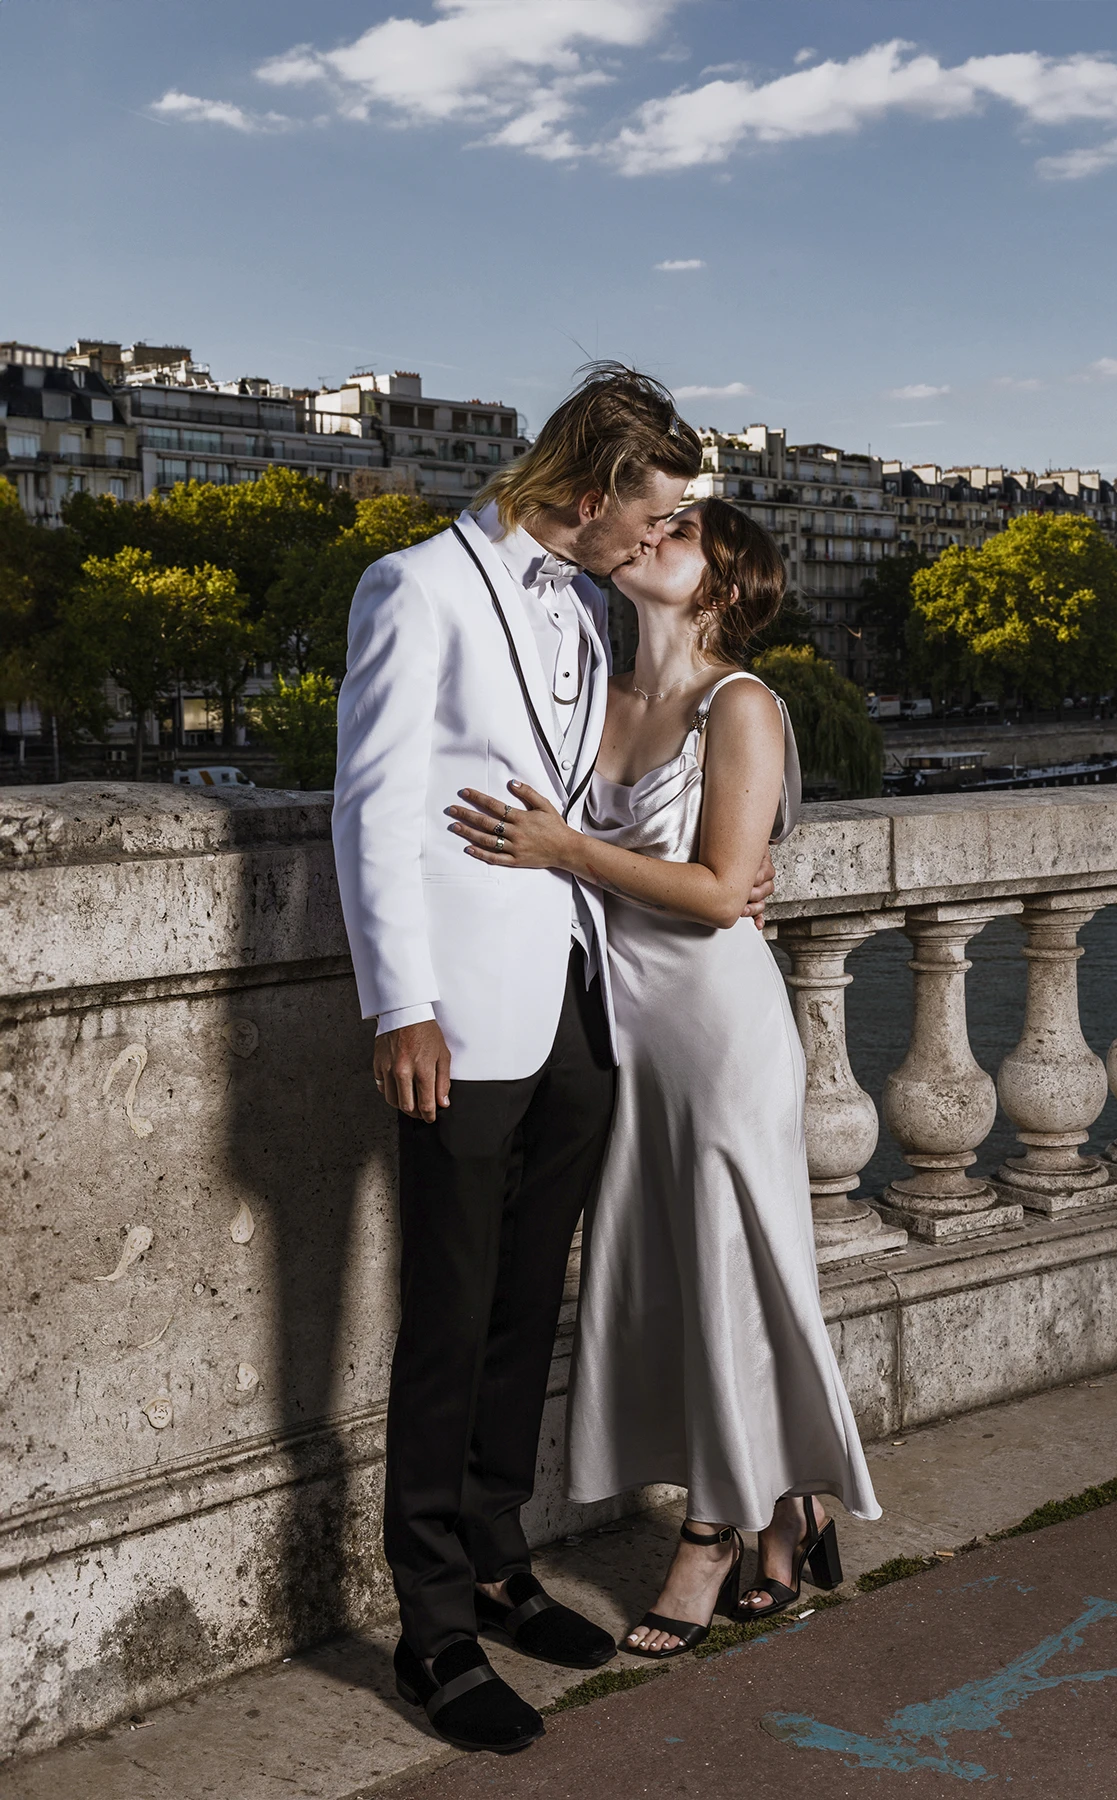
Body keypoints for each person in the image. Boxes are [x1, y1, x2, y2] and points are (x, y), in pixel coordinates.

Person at [332, 366, 774, 1755]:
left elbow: (599, 797)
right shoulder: (414, 587)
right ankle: (435, 1630)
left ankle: (501, 1556)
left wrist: (725, 875)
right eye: (642, 525)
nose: (655, 549)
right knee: (450, 1319)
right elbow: (374, 805)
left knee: (529, 1310)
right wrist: (400, 1003)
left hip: (580, 1004)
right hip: (459, 1014)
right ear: (589, 498)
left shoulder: (586, 605)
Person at [449, 497, 880, 1663]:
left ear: (723, 586)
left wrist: (567, 848)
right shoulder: (594, 679)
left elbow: (715, 888)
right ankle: (794, 1503)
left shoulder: (738, 705)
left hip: (716, 1026)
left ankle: (714, 1528)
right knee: (670, 1277)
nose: (650, 536)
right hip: (617, 1019)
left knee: (737, 1271)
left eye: (680, 534)